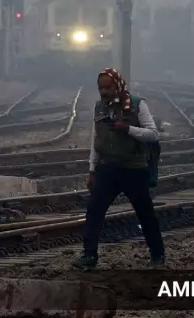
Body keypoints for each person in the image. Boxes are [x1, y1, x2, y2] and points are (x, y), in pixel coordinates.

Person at [72, 68, 165, 270]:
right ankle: (89, 255)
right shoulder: (99, 108)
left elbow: (153, 134)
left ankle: (157, 254)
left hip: (134, 169)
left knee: (145, 213)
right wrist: (91, 169)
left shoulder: (137, 105)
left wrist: (128, 129)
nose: (104, 92)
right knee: (94, 211)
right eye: (101, 88)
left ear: (118, 86)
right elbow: (96, 140)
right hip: (108, 169)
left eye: (108, 87)